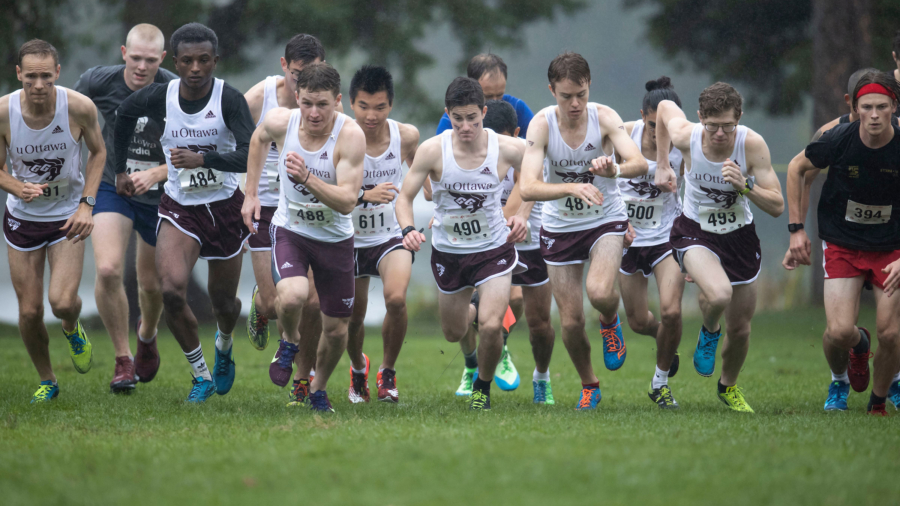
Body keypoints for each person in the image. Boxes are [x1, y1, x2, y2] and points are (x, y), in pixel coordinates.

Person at [114, 23, 255, 403]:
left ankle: (223, 346)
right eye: (187, 61)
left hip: (224, 208)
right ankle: (201, 376)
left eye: (203, 60)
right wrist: (120, 170)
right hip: (179, 208)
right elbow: (124, 116)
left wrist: (203, 158)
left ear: (215, 61)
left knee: (224, 304)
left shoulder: (230, 100)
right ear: (175, 62)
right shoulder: (161, 96)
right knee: (172, 291)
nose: (195, 68)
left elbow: (250, 152)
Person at [519, 52, 647, 410]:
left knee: (600, 291)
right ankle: (589, 383)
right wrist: (570, 188)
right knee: (572, 322)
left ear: (589, 86)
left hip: (604, 218)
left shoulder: (604, 118)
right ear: (552, 91)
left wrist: (614, 172)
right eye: (565, 96)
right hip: (560, 225)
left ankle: (610, 321)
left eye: (581, 94)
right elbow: (528, 187)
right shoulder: (542, 125)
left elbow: (637, 162)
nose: (575, 104)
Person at [397, 77, 529, 410]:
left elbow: (535, 171)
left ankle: (481, 389)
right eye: (458, 119)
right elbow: (404, 198)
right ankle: (472, 338)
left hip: (494, 250)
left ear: (484, 112)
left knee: (490, 324)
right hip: (450, 253)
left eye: (473, 117)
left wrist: (521, 213)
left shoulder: (507, 148)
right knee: (453, 332)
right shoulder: (432, 150)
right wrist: (407, 229)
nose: (466, 126)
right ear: (448, 114)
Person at [654, 82, 784, 413]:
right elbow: (665, 109)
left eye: (728, 126)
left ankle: (728, 386)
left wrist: (746, 185)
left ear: (739, 119)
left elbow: (777, 205)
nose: (720, 134)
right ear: (701, 119)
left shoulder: (752, 146)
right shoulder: (688, 136)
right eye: (713, 126)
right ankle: (710, 330)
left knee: (740, 329)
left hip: (739, 237)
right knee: (720, 293)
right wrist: (662, 164)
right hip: (694, 231)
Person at [244, 62, 366, 413]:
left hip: (335, 240)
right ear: (296, 97)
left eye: (323, 105)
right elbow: (258, 138)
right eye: (307, 103)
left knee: (337, 330)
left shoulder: (350, 135)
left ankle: (319, 388)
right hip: (291, 230)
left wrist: (307, 178)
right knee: (294, 295)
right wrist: (251, 193)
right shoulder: (283, 121)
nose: (314, 113)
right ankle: (290, 341)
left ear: (337, 101)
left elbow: (346, 202)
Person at [783, 71, 900, 416]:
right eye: (868, 107)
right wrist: (796, 230)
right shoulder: (838, 139)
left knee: (891, 335)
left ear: (894, 107)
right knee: (838, 331)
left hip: (892, 246)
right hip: (843, 243)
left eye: (882, 106)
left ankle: (879, 399)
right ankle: (841, 377)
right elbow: (795, 168)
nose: (875, 114)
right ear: (856, 109)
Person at [0, 39, 105, 402]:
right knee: (28, 311)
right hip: (23, 219)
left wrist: (87, 205)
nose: (39, 85)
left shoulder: (78, 107)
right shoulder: (4, 112)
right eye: (31, 77)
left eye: (46, 76)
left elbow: (98, 152)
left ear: (58, 73)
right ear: (19, 74)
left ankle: (72, 328)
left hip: (66, 216)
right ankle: (48, 379)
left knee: (61, 302)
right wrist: (17, 186)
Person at [74, 23, 174, 394]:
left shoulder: (175, 91)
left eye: (150, 60)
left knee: (151, 283)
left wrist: (157, 172)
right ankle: (122, 359)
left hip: (158, 193)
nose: (142, 67)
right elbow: (66, 113)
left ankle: (146, 334)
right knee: (108, 266)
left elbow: (202, 149)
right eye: (135, 58)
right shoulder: (97, 82)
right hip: (111, 185)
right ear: (123, 53)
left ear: (161, 59)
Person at [243, 34, 337, 405]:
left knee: (310, 303)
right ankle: (262, 304)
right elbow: (244, 144)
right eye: (298, 74)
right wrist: (248, 193)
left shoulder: (322, 106)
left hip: (304, 211)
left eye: (312, 73)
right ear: (284, 66)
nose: (303, 82)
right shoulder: (258, 100)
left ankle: (302, 376)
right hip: (264, 207)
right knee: (273, 305)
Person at [344, 65, 419, 403]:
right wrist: (363, 195)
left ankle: (387, 372)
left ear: (391, 104)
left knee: (396, 299)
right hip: (348, 237)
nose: (371, 116)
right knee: (352, 314)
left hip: (391, 234)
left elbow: (425, 175)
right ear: (349, 103)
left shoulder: (407, 136)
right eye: (363, 106)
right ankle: (358, 368)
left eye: (380, 107)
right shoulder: (338, 136)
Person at [617, 77, 686, 409]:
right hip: (627, 240)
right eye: (652, 125)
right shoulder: (622, 135)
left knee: (672, 312)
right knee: (639, 321)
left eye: (666, 128)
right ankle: (666, 343)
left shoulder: (685, 146)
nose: (660, 133)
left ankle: (659, 383)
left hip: (665, 238)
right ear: (641, 116)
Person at [482, 99, 557, 404]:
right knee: (497, 310)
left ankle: (542, 375)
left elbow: (518, 201)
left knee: (540, 324)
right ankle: (489, 359)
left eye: (503, 138)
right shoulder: (479, 157)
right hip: (495, 246)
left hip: (533, 246)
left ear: (515, 133)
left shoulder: (532, 158)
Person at [435, 54, 533, 138]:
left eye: (500, 95)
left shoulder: (517, 108)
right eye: (488, 96)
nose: (495, 101)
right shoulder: (456, 117)